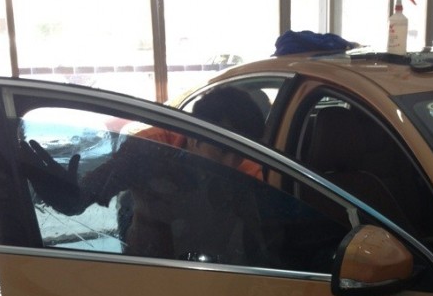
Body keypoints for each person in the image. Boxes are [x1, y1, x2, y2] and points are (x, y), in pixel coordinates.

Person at [21, 87, 266, 259]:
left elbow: (261, 240)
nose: (232, 163)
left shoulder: (248, 169)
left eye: (239, 153)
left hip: (215, 269)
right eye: (223, 150)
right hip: (149, 264)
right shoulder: (151, 148)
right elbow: (93, 190)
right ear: (194, 137)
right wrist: (68, 197)